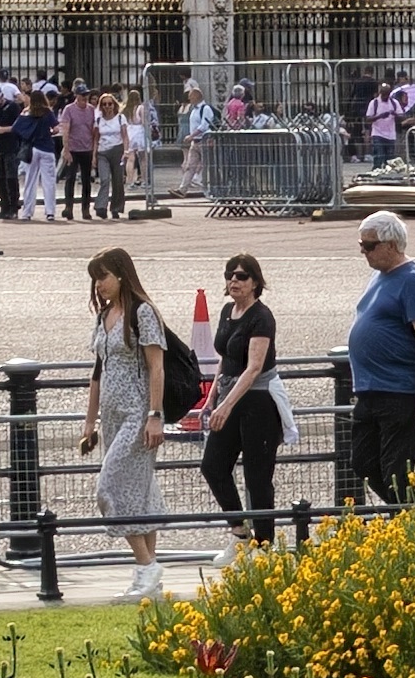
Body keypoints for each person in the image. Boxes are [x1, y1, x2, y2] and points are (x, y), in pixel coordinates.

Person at [79, 248, 191, 597]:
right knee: (140, 491)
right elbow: (98, 373)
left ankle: (146, 565)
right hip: (112, 418)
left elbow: (156, 366)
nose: (99, 285)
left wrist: (155, 416)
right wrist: (89, 423)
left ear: (122, 276)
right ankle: (149, 580)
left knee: (108, 488)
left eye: (104, 277)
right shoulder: (104, 316)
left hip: (139, 415)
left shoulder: (142, 313)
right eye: (95, 279)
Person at [339, 209, 415, 515]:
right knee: (363, 462)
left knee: (396, 471)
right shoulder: (379, 276)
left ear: (391, 245)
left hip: (399, 393)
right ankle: (414, 517)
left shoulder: (412, 281)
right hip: (371, 391)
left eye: (369, 245)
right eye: (362, 244)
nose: (363, 251)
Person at [195, 251, 287, 545]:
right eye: (230, 275)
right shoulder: (226, 311)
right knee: (213, 466)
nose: (234, 280)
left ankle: (264, 543)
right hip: (229, 394)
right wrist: (212, 397)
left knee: (257, 476)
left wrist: (227, 404)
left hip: (258, 402)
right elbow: (226, 357)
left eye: (242, 275)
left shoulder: (262, 317)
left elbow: (254, 367)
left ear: (255, 282)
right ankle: (240, 532)